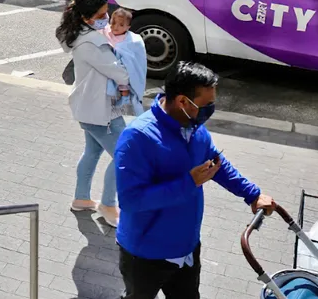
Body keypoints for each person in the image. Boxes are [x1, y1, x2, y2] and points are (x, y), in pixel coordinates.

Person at [115, 61, 274, 299]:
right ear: (182, 101)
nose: (210, 109)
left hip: (187, 249)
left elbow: (216, 164)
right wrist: (188, 182)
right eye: (206, 104)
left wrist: (252, 194)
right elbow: (130, 200)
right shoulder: (137, 138)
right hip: (145, 256)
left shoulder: (195, 127)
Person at [57, 0, 131, 228]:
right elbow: (117, 71)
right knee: (124, 157)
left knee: (92, 152)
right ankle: (108, 205)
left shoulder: (84, 34)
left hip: (91, 109)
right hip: (101, 113)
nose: (107, 17)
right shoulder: (91, 42)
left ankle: (81, 198)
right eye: (101, 14)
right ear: (87, 18)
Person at [102, 8, 146, 116]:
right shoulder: (107, 32)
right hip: (111, 68)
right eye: (113, 22)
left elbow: (135, 60)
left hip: (123, 69)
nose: (115, 27)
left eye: (121, 25)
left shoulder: (132, 41)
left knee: (125, 78)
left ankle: (125, 96)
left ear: (128, 27)